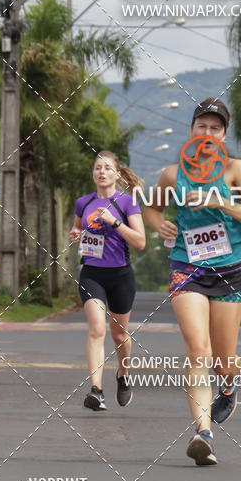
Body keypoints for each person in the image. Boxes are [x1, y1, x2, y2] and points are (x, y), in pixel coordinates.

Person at [143, 98, 241, 466]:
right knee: (198, 351)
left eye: (216, 128)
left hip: (229, 270)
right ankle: (204, 433)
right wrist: (159, 224)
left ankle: (228, 385)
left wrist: (220, 201)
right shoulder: (172, 175)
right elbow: (151, 208)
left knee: (223, 360)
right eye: (202, 126)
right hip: (188, 267)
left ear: (224, 135)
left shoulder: (235, 170)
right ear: (191, 130)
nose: (208, 133)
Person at [69, 151, 145, 411]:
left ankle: (123, 374)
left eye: (107, 168)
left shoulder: (127, 203)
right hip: (92, 273)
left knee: (119, 334)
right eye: (98, 168)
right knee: (97, 329)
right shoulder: (83, 202)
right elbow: (78, 228)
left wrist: (114, 223)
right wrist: (76, 233)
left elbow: (140, 241)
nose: (101, 172)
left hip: (121, 275)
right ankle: (96, 390)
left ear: (117, 174)